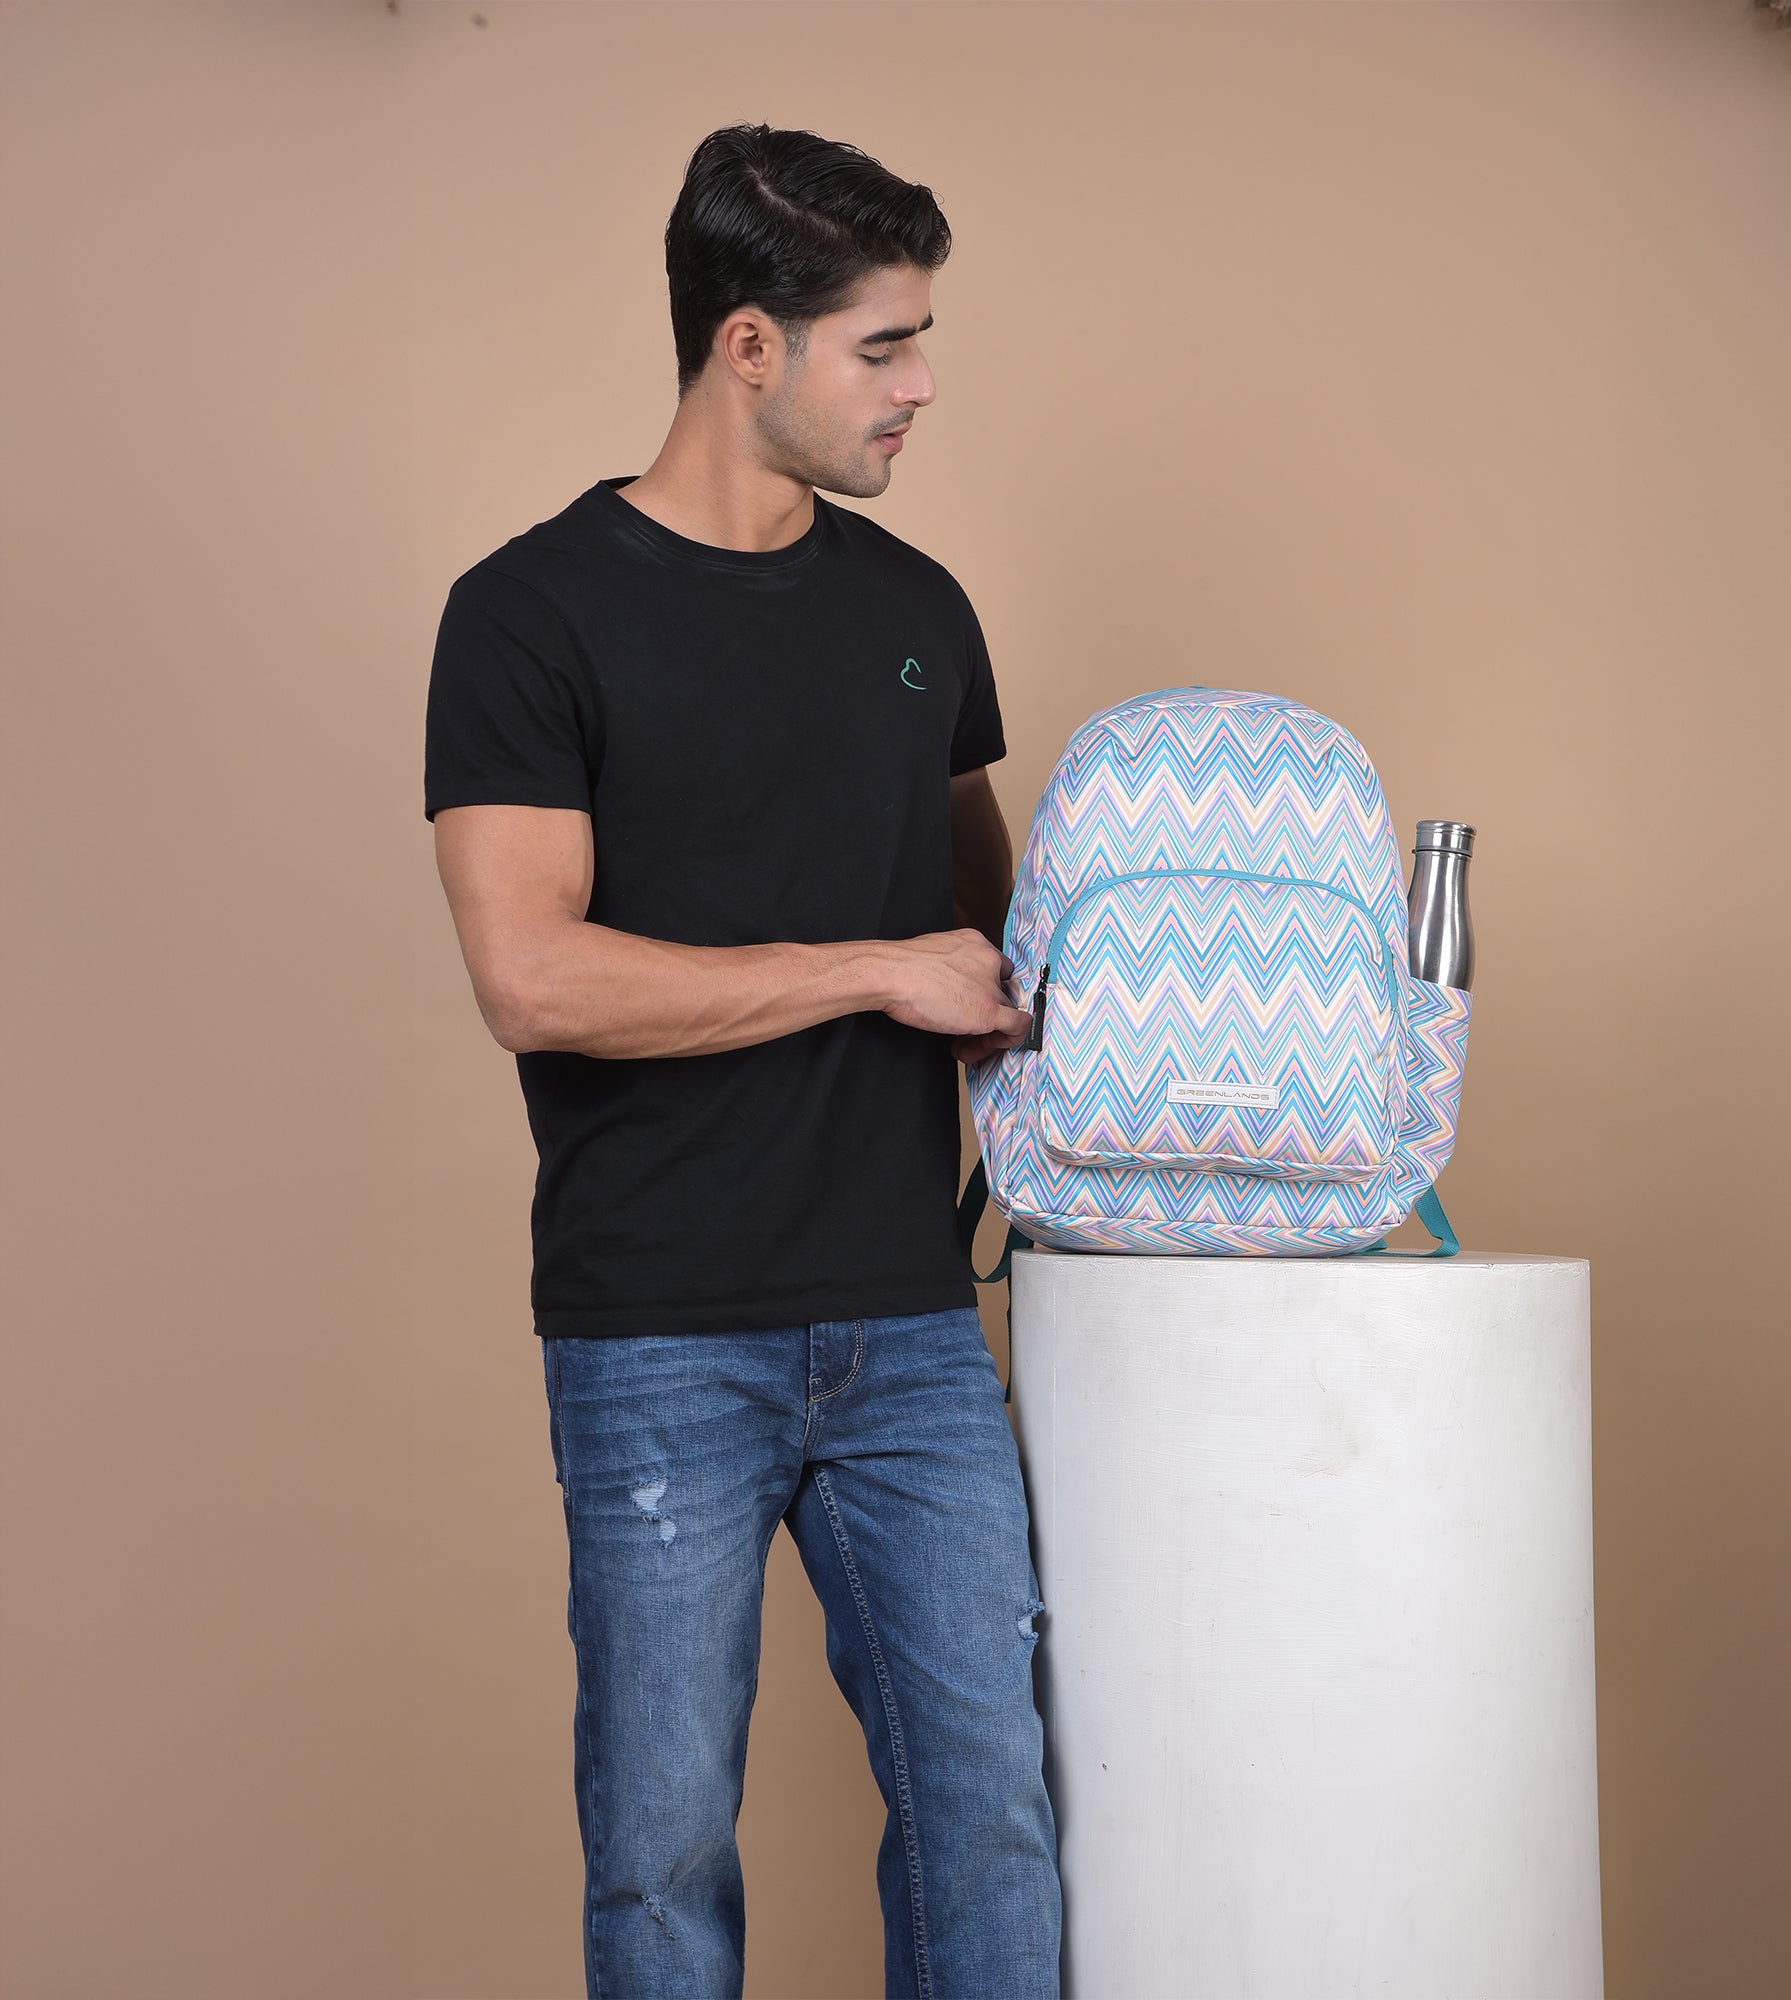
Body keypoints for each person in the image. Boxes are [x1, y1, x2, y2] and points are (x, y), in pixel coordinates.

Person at [423, 122, 1060, 2000]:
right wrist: (872, 973)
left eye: (926, 339)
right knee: (662, 1858)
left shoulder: (920, 615)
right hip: (659, 1333)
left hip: (913, 1327)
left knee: (990, 1813)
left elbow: (1000, 955)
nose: (922, 384)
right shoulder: (529, 613)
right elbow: (534, 979)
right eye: (886, 344)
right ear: (750, 346)